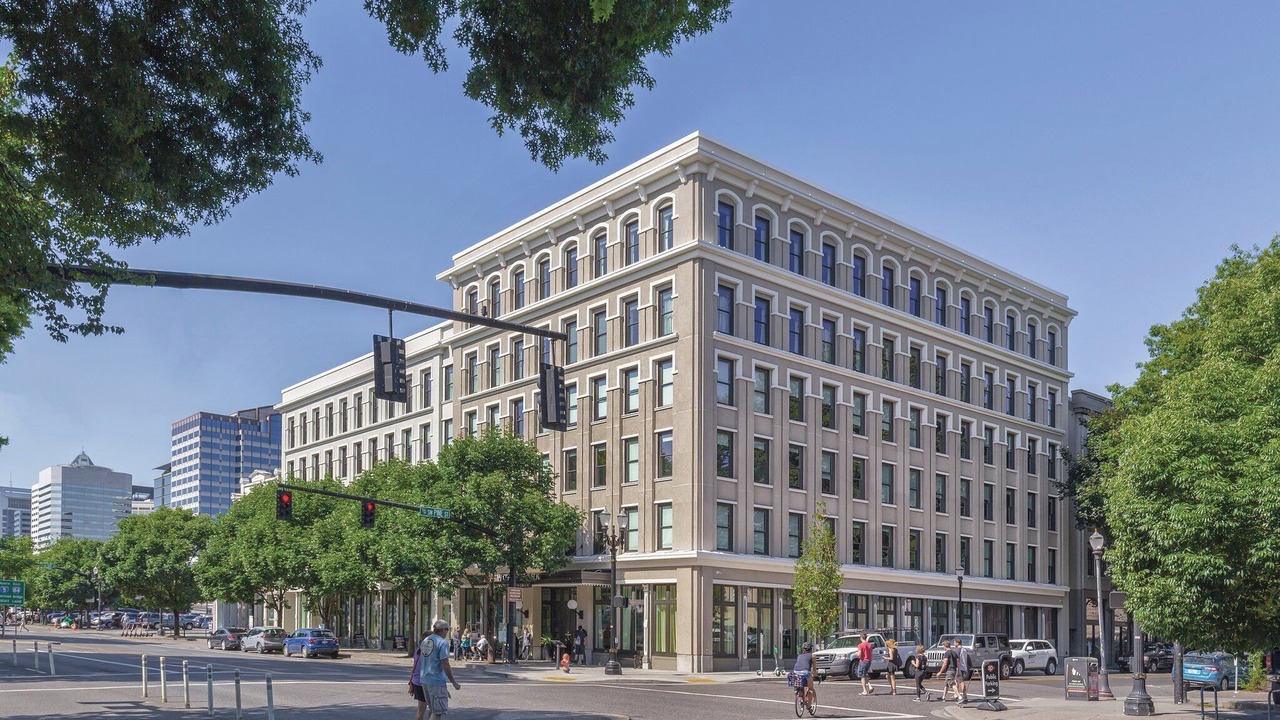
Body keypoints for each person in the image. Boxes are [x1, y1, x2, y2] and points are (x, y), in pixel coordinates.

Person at [419, 620, 461, 720]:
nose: (447, 632)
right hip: (436, 680)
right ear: (442, 630)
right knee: (438, 712)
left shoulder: (426, 640)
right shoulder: (442, 642)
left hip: (424, 679)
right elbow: (445, 664)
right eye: (447, 629)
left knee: (433, 710)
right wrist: (453, 682)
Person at [409, 630, 430, 720]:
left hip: (416, 681)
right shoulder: (427, 652)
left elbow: (414, 667)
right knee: (423, 711)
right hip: (423, 682)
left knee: (423, 710)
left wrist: (411, 681)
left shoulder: (418, 650)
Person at [794, 640, 817, 707]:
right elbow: (814, 669)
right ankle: (809, 706)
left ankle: (799, 692)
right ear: (811, 649)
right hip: (805, 672)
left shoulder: (799, 655)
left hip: (795, 671)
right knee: (810, 689)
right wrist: (815, 675)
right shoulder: (813, 656)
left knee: (800, 683)